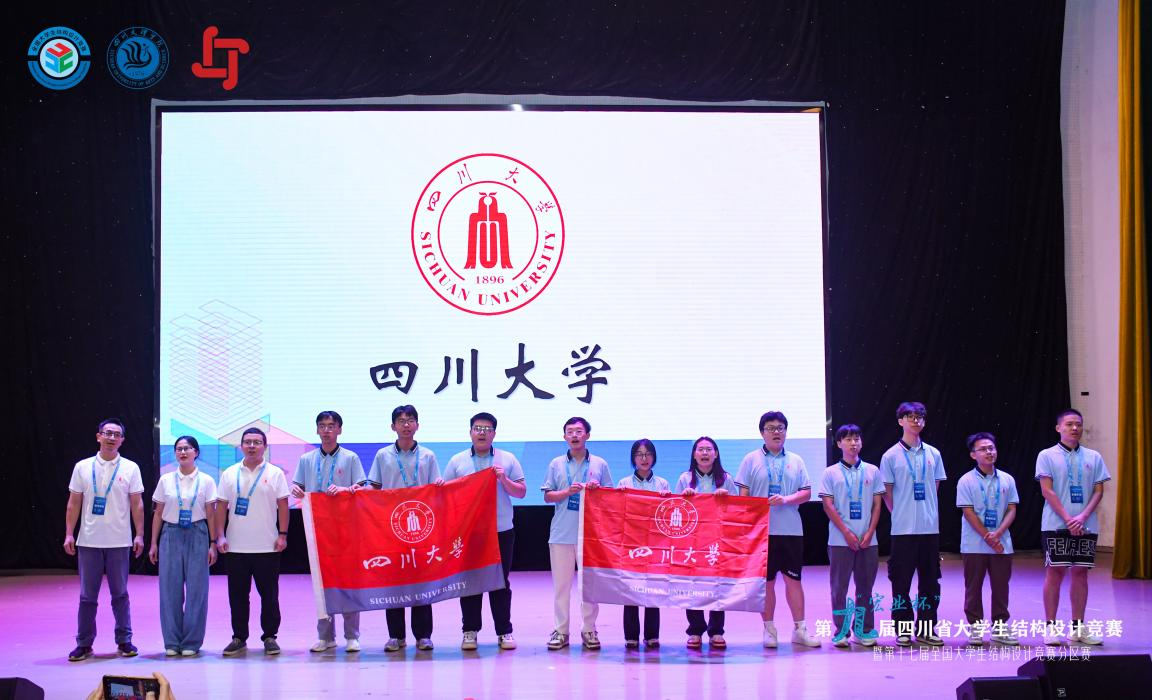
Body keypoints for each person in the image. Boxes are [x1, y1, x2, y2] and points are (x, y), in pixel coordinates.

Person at [442, 412, 526, 651]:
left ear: (494, 434)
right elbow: (446, 495)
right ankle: (470, 631)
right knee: (469, 581)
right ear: (470, 432)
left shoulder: (507, 459)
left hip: (501, 530)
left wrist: (504, 479)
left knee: (500, 581)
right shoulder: (457, 461)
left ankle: (504, 631)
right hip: (469, 531)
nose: (482, 433)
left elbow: (521, 492)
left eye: (487, 429)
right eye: (477, 428)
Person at [736, 411, 820, 648]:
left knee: (794, 580)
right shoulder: (750, 460)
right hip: (761, 533)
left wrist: (786, 499)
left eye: (780, 428)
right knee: (767, 583)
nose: (776, 432)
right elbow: (743, 497)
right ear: (762, 433)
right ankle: (769, 630)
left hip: (791, 530)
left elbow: (806, 493)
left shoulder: (796, 460)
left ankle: (800, 630)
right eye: (771, 428)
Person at [64, 418, 145, 661]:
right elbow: (73, 503)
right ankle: (84, 643)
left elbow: (137, 504)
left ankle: (124, 640)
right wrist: (69, 533)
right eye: (107, 433)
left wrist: (139, 534)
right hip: (89, 541)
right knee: (87, 597)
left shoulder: (131, 468)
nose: (111, 438)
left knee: (120, 595)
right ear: (98, 436)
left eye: (116, 435)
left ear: (122, 440)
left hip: (119, 541)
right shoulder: (82, 467)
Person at [291, 411, 368, 654]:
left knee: (348, 582)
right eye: (322, 426)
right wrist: (296, 490)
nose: (326, 430)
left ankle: (352, 636)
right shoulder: (306, 459)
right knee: (320, 584)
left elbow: (361, 488)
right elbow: (297, 486)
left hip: (346, 528)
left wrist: (346, 489)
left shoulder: (351, 457)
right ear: (317, 430)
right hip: (317, 530)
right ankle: (325, 637)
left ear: (339, 430)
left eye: (331, 426)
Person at [367, 404, 443, 652]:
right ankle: (396, 635)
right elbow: (373, 488)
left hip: (421, 528)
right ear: (393, 426)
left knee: (421, 581)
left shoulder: (428, 456)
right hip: (390, 527)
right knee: (393, 580)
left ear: (417, 425)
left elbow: (435, 490)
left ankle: (423, 635)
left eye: (410, 420)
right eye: (401, 421)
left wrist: (439, 486)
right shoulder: (382, 455)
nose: (406, 424)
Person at [1036, 409, 1111, 646]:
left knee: (1080, 573)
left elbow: (1098, 491)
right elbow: (1047, 490)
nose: (1075, 428)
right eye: (1069, 424)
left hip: (1086, 525)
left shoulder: (1094, 456)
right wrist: (1069, 518)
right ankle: (1051, 627)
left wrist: (1083, 516)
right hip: (1056, 524)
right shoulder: (1046, 455)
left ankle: (1078, 628)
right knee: (1055, 572)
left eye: (1078, 424)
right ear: (1058, 428)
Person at [216, 427, 290, 656]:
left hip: (267, 546)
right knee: (238, 596)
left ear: (264, 447)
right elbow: (221, 506)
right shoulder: (229, 473)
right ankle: (239, 637)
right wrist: (220, 535)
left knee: (269, 596)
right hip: (235, 546)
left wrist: (283, 534)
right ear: (241, 446)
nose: (251, 446)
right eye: (247, 442)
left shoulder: (275, 473)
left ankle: (270, 637)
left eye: (257, 442)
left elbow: (283, 505)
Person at [541, 417, 613, 650]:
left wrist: (597, 491)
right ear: (564, 437)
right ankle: (561, 631)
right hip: (561, 533)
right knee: (561, 587)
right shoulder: (556, 464)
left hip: (590, 535)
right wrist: (566, 492)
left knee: (589, 587)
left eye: (579, 431)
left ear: (587, 435)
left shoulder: (600, 464)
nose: (574, 435)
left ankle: (589, 629)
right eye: (570, 431)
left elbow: (610, 498)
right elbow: (547, 496)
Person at [881, 401, 947, 646]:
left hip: (930, 530)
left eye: (920, 416)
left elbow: (935, 488)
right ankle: (904, 629)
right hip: (902, 530)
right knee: (901, 583)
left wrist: (926, 512)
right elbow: (887, 493)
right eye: (910, 416)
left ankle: (926, 629)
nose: (916, 420)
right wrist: (901, 514)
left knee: (930, 583)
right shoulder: (890, 456)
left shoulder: (934, 454)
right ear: (900, 421)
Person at [149, 436, 218, 656]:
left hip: (198, 533)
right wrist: (153, 543)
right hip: (170, 533)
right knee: (169, 589)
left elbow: (211, 514)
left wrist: (213, 543)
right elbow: (158, 513)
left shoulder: (207, 480)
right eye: (179, 449)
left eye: (187, 448)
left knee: (197, 590)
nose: (183, 452)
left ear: (196, 452)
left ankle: (191, 642)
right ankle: (171, 641)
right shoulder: (166, 480)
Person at [819, 424, 884, 648]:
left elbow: (877, 505)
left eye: (856, 439)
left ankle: (863, 630)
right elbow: (828, 506)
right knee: (840, 588)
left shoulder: (873, 471)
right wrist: (846, 532)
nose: (853, 443)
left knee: (865, 588)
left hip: (868, 540)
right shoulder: (830, 473)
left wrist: (870, 532)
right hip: (839, 540)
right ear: (839, 444)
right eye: (847, 439)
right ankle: (841, 631)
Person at [956, 432, 1019, 647]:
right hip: (974, 544)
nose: (989, 452)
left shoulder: (1007, 479)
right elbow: (968, 512)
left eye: (991, 448)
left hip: (1002, 544)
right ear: (973, 455)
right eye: (983, 449)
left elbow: (1012, 509)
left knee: (1001, 587)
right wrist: (987, 536)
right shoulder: (966, 480)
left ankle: (1000, 628)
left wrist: (998, 534)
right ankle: (975, 628)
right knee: (973, 588)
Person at [675, 436, 730, 649]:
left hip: (718, 539)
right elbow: (675, 509)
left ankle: (716, 631)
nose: (705, 453)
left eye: (709, 449)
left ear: (716, 454)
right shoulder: (685, 478)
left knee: (718, 585)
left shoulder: (726, 478)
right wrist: (685, 497)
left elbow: (737, 510)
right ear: (694, 455)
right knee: (693, 584)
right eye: (701, 449)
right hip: (692, 541)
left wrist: (727, 498)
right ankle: (695, 629)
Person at [615, 439, 670, 649]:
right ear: (633, 458)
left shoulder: (662, 484)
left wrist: (666, 499)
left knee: (653, 589)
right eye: (639, 454)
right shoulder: (624, 483)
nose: (644, 458)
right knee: (630, 588)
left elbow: (668, 514)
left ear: (654, 457)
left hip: (655, 543)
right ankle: (631, 635)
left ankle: (652, 635)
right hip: (630, 543)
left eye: (648, 454)